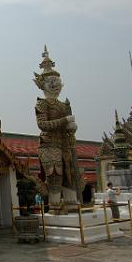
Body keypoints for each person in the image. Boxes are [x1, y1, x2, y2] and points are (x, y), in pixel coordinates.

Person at [34, 45, 81, 213]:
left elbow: (68, 128)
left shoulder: (64, 105)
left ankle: (71, 204)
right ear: (43, 84)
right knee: (55, 175)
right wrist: (64, 121)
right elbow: (43, 125)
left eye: (57, 82)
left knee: (70, 175)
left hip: (64, 144)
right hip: (48, 144)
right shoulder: (42, 103)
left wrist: (72, 128)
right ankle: (54, 206)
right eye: (51, 82)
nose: (55, 85)